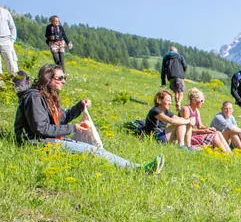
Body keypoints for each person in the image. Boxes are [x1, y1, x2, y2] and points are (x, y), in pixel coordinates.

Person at [14, 65, 164, 173]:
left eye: (64, 78)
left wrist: (79, 107)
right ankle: (138, 169)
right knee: (90, 149)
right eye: (60, 78)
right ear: (48, 78)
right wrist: (73, 128)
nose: (64, 81)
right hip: (34, 142)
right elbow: (41, 129)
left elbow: (62, 118)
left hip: (45, 140)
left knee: (92, 148)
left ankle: (136, 167)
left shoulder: (47, 97)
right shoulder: (35, 97)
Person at [179, 88, 231, 152]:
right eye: (201, 100)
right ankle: (225, 154)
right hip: (187, 137)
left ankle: (229, 153)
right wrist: (204, 131)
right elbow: (186, 129)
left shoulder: (196, 111)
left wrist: (208, 129)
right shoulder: (186, 109)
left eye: (203, 100)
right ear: (193, 100)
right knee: (214, 136)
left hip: (194, 134)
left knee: (217, 132)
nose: (203, 103)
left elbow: (200, 126)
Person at [0, 0, 19, 75]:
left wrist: (12, 40)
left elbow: (12, 27)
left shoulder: (5, 12)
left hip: (6, 40)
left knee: (11, 63)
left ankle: (16, 83)